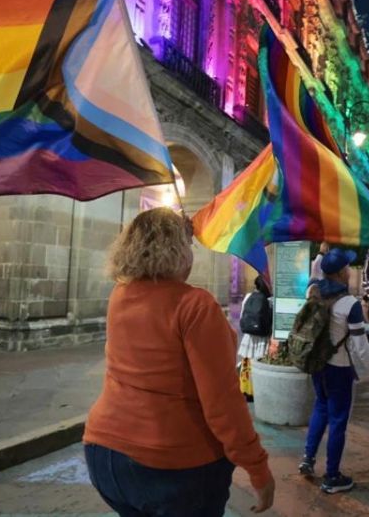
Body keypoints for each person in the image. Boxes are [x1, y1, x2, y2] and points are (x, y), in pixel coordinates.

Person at [83, 208, 274, 515]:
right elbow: (222, 402)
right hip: (172, 466)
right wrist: (257, 467)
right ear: (178, 251)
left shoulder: (120, 294)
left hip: (104, 455)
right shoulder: (195, 305)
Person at [298, 248, 369, 494]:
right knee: (337, 421)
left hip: (318, 365)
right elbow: (360, 344)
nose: (349, 270)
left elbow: (315, 271)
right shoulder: (349, 303)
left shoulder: (312, 291)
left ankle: (308, 458)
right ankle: (332, 476)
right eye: (346, 267)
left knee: (320, 408)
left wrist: (321, 254)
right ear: (340, 273)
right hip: (339, 368)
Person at [239, 275, 274, 363]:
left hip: (248, 338)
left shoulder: (248, 296)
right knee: (260, 367)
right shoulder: (271, 301)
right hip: (263, 340)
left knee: (247, 367)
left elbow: (242, 316)